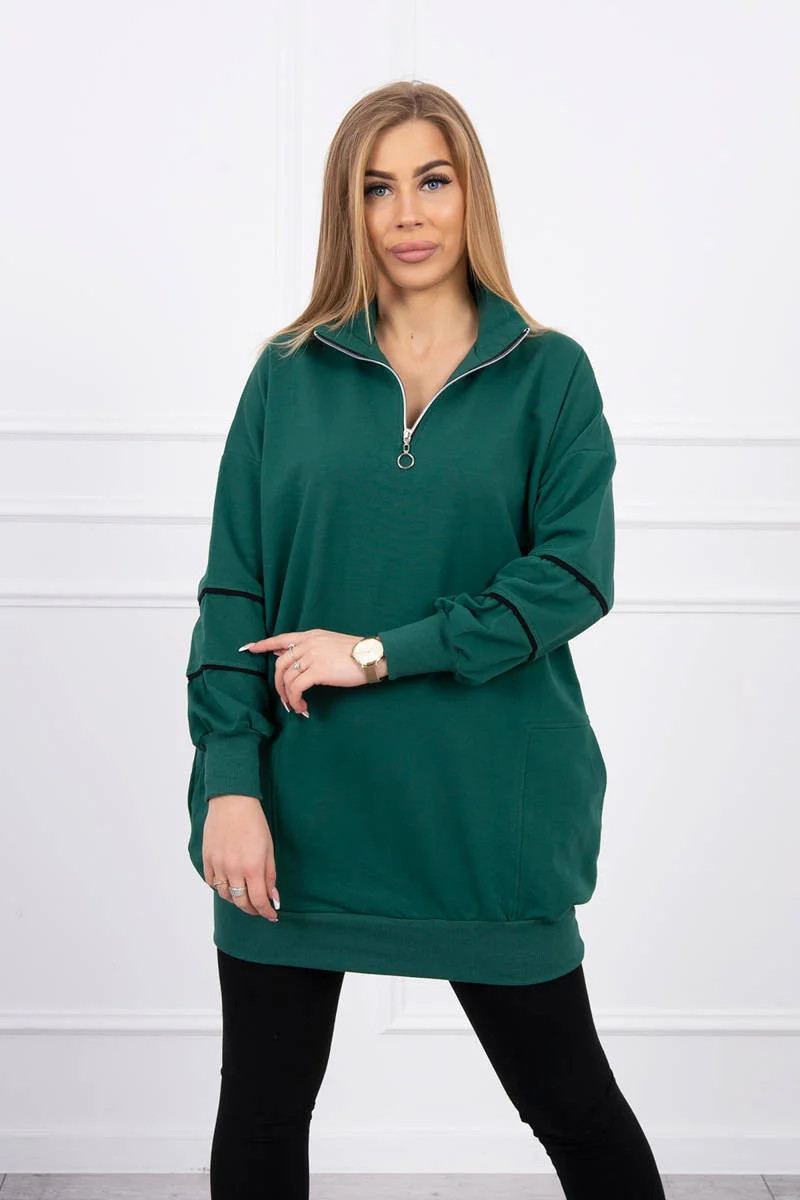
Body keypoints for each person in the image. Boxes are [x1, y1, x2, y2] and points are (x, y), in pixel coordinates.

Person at [185, 80, 666, 1199]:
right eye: (377, 188)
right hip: (297, 816)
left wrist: (374, 652)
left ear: (470, 194)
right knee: (261, 1116)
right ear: (347, 209)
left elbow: (571, 577)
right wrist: (230, 783)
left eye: (432, 181)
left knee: (575, 1113)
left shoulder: (549, 374)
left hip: (485, 817)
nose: (407, 214)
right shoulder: (286, 374)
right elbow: (233, 591)